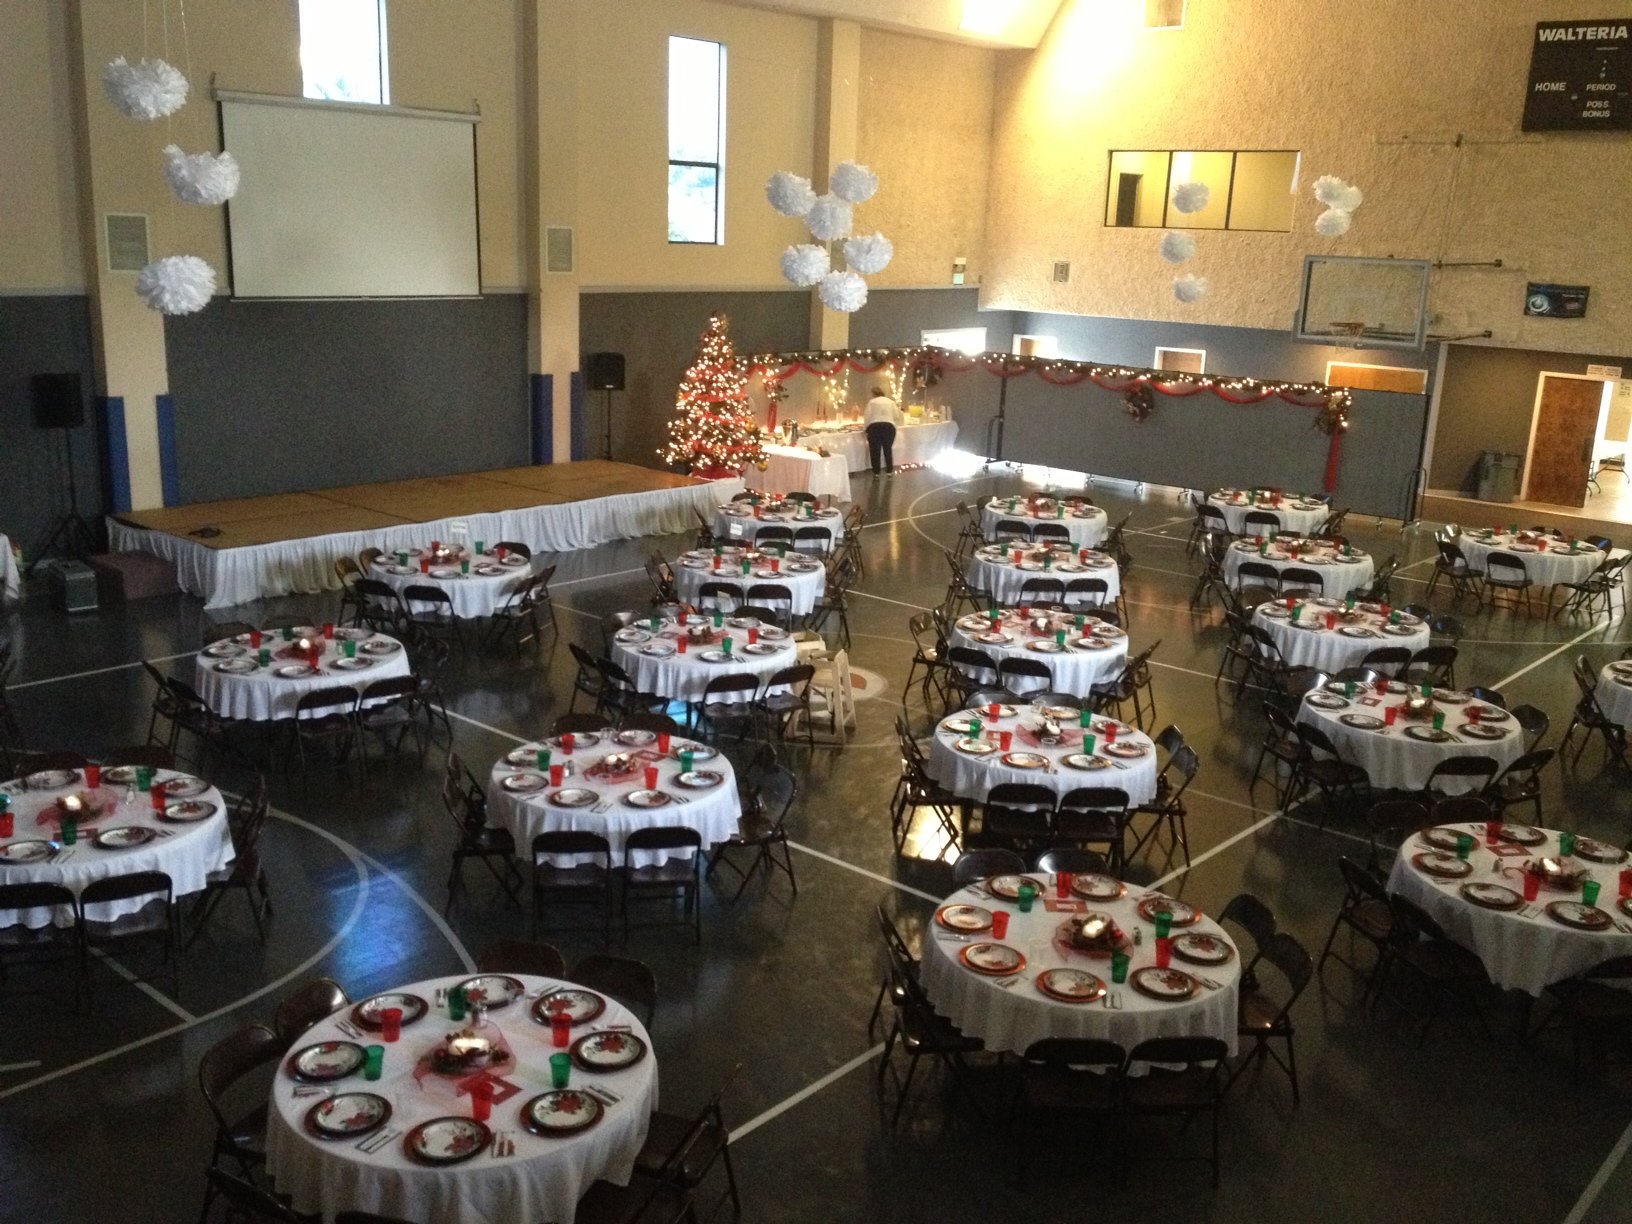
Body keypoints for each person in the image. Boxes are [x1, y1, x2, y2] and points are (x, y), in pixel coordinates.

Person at [863, 385, 901, 476]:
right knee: (887, 449)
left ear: (873, 394)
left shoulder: (872, 402)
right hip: (889, 427)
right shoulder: (891, 402)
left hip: (875, 427)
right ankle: (889, 470)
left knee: (875, 450)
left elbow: (867, 416)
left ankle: (876, 472)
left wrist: (865, 428)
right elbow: (896, 415)